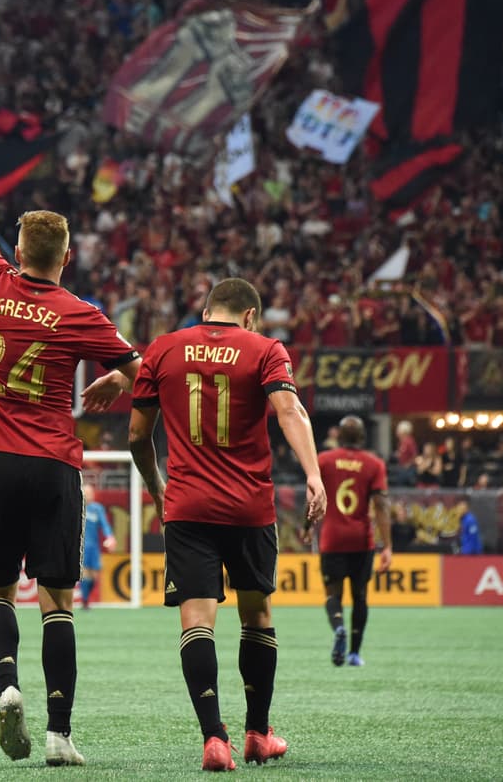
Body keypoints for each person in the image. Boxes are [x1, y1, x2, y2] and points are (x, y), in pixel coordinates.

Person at [0, 117, 142, 766]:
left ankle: (7, 688)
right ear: (65, 258)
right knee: (57, 603)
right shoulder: (79, 314)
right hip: (55, 465)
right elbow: (137, 364)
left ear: (17, 249)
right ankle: (60, 735)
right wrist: (114, 383)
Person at [123, 278, 326, 772]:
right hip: (249, 508)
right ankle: (258, 733)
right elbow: (289, 410)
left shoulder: (164, 348)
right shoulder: (265, 349)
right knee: (256, 615)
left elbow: (135, 435)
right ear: (251, 316)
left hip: (188, 507)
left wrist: (156, 485)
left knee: (197, 621)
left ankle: (214, 739)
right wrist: (314, 474)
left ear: (207, 308)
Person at [315, 415, 391, 667]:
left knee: (332, 594)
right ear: (362, 437)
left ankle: (338, 627)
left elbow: (314, 495)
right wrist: (388, 546)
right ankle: (355, 654)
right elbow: (380, 504)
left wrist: (306, 526)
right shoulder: (374, 464)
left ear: (338, 436)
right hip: (361, 540)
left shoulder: (324, 460)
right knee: (360, 597)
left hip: (332, 538)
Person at [79, 478, 116, 609]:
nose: (88, 495)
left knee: (94, 576)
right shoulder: (77, 507)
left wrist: (110, 537)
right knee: (84, 574)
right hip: (80, 547)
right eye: (86, 492)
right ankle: (85, 601)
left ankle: (85, 597)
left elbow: (105, 525)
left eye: (90, 493)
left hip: (94, 547)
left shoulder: (97, 509)